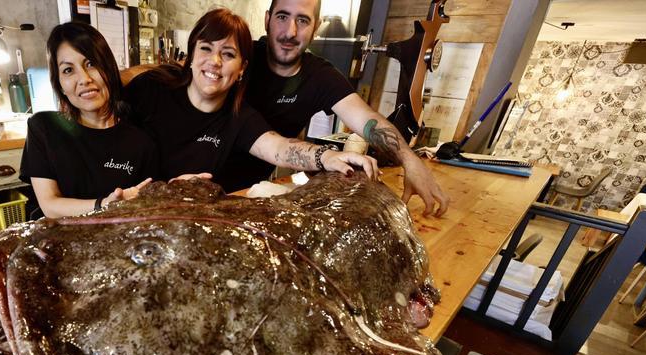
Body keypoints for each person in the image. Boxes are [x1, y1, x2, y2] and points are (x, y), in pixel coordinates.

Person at [231, 0, 450, 216]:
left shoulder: (320, 75)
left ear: (316, 28)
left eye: (303, 20)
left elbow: (366, 119)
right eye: (282, 17)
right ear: (267, 19)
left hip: (247, 195)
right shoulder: (237, 58)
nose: (290, 31)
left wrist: (410, 161)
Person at [122, 8, 380, 189]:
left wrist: (326, 156)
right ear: (191, 54)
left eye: (228, 54)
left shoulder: (239, 118)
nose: (214, 62)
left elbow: (280, 148)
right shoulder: (152, 88)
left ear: (242, 68)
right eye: (206, 48)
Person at [19, 22, 157, 218]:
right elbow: (50, 205)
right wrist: (105, 204)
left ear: (108, 69)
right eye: (68, 70)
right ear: (60, 84)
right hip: (53, 241)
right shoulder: (43, 127)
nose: (84, 79)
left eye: (91, 64)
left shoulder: (141, 143)